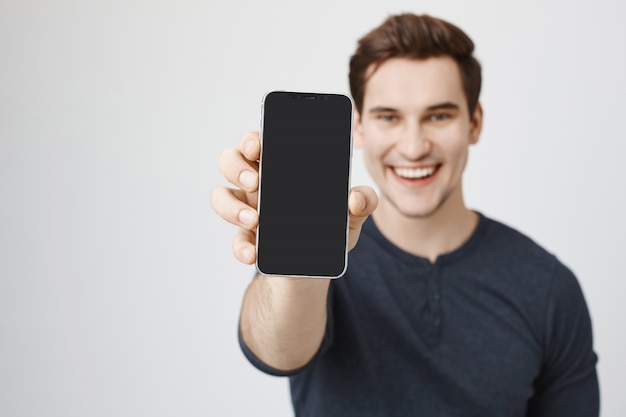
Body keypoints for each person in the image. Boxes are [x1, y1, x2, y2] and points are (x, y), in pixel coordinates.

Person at [211, 13, 599, 417]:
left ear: (475, 123)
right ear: (358, 128)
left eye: (439, 115)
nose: (413, 147)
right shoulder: (318, 257)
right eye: (388, 117)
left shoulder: (549, 287)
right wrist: (293, 271)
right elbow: (275, 351)